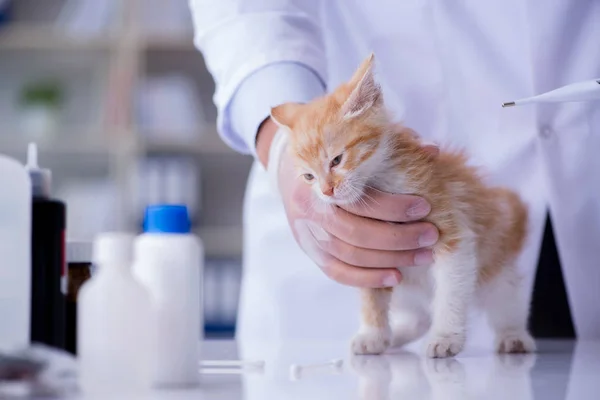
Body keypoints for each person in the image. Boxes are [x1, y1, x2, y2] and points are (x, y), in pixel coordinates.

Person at [188, 1, 600, 346]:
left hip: (577, 182)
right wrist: (280, 148)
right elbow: (245, 14)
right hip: (318, 307)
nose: (327, 188)